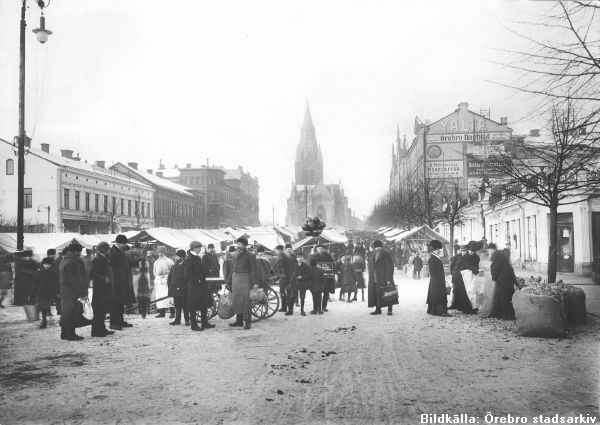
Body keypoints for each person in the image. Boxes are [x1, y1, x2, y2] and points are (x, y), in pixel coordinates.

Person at [59, 242, 91, 340]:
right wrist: (82, 293)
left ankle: (64, 333)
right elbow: (75, 280)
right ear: (75, 251)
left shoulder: (65, 260)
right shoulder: (72, 262)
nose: (80, 253)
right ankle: (70, 334)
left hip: (66, 291)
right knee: (72, 312)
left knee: (66, 312)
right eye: (79, 251)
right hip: (73, 292)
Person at [226, 237, 258, 330]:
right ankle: (239, 321)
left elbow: (254, 269)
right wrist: (229, 281)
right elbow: (233, 269)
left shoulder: (250, 255)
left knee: (246, 301)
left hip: (245, 279)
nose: (239, 246)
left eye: (241, 244)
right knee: (237, 300)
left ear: (245, 246)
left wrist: (255, 282)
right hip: (235, 280)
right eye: (238, 244)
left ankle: (247, 322)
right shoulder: (236, 255)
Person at [184, 241, 215, 331]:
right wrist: (197, 280)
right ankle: (194, 325)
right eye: (198, 247)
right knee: (193, 307)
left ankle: (204, 323)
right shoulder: (189, 259)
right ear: (194, 248)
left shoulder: (197, 257)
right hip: (194, 287)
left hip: (201, 285)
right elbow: (187, 275)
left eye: (200, 247)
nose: (200, 249)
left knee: (203, 305)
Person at [108, 235, 136, 330]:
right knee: (115, 303)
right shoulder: (113, 252)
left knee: (121, 302)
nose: (124, 245)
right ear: (118, 242)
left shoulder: (120, 251)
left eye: (125, 243)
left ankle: (120, 321)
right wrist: (115, 281)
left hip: (122, 281)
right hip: (116, 282)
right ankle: (113, 322)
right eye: (123, 243)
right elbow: (112, 269)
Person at [90, 242, 115, 337]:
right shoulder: (97, 259)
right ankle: (96, 331)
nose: (109, 251)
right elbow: (92, 274)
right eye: (108, 249)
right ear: (104, 250)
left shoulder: (103, 258)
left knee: (103, 310)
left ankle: (102, 328)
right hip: (100, 290)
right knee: (98, 311)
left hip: (104, 289)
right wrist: (104, 279)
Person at [488, 243, 517, 320]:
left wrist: (494, 277)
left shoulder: (496, 255)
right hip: (508, 278)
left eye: (489, 250)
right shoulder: (501, 254)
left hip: (502, 279)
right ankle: (506, 314)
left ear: (491, 249)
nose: (488, 251)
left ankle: (505, 315)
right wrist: (515, 281)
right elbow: (509, 267)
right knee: (506, 296)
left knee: (503, 297)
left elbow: (495, 267)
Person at [368, 240, 395, 315]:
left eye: (379, 247)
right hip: (375, 279)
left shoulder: (386, 254)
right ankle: (378, 309)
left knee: (388, 293)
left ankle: (390, 310)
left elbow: (390, 267)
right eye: (376, 248)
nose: (377, 249)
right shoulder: (373, 255)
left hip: (384, 278)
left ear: (381, 247)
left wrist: (389, 279)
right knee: (377, 294)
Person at [31, 257, 59, 329]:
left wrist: (57, 292)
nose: (46, 266)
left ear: (51, 265)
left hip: (50, 293)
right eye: (45, 264)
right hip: (41, 293)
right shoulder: (39, 272)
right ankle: (44, 321)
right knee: (43, 307)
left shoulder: (54, 273)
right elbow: (35, 283)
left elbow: (56, 284)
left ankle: (44, 320)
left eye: (48, 264)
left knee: (46, 307)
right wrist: (32, 293)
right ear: (42, 264)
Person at [426, 240, 450, 317]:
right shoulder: (433, 259)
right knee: (439, 295)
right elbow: (433, 272)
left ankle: (434, 310)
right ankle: (441, 312)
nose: (440, 251)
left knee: (435, 295)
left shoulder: (435, 258)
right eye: (439, 249)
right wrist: (439, 281)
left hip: (436, 280)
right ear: (436, 250)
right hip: (437, 280)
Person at [449, 245, 475, 313]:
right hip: (456, 276)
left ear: (466, 251)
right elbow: (452, 266)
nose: (463, 252)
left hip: (464, 277)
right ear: (460, 251)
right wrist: (453, 273)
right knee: (455, 291)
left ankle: (464, 307)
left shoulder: (469, 257)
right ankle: (454, 305)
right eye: (462, 251)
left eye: (464, 251)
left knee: (463, 292)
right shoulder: (456, 257)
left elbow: (470, 266)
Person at [168, 249, 189, 326]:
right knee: (177, 305)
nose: (175, 258)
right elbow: (170, 277)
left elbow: (187, 278)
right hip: (175, 289)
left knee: (185, 305)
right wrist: (170, 286)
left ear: (182, 257)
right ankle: (177, 320)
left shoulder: (186, 265)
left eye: (177, 256)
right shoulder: (174, 265)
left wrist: (183, 287)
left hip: (183, 289)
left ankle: (187, 320)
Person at [312, 244, 335, 312]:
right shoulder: (315, 257)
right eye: (319, 248)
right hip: (318, 278)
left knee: (326, 292)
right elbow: (312, 266)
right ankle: (317, 307)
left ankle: (324, 306)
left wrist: (332, 272)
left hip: (327, 278)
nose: (320, 250)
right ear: (317, 250)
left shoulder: (328, 256)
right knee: (317, 293)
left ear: (324, 249)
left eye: (322, 248)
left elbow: (332, 265)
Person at [153, 246, 174, 319]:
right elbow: (154, 272)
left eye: (162, 252)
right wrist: (157, 278)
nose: (160, 254)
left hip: (167, 279)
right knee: (160, 296)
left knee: (169, 296)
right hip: (159, 281)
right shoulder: (156, 262)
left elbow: (173, 270)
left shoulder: (169, 261)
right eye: (159, 252)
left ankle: (172, 312)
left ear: (165, 252)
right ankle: (162, 313)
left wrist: (169, 278)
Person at [272, 245, 291, 313]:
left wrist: (273, 271)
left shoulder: (283, 257)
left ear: (280, 250)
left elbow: (278, 266)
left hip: (284, 277)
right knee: (283, 292)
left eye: (277, 250)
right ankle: (284, 307)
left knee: (282, 291)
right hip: (285, 276)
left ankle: (284, 307)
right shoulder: (283, 256)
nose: (277, 251)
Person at [136, 249, 152, 319]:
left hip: (143, 279)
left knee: (144, 297)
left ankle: (144, 312)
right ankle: (143, 312)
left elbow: (146, 271)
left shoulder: (145, 261)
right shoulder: (142, 261)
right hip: (142, 279)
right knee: (142, 297)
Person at [285, 244, 299, 311]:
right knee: (288, 290)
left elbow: (297, 265)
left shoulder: (294, 257)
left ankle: (296, 302)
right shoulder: (284, 257)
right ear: (286, 250)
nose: (289, 250)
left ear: (291, 250)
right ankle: (289, 305)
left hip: (293, 275)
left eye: (290, 249)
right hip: (286, 275)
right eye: (288, 249)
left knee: (295, 289)